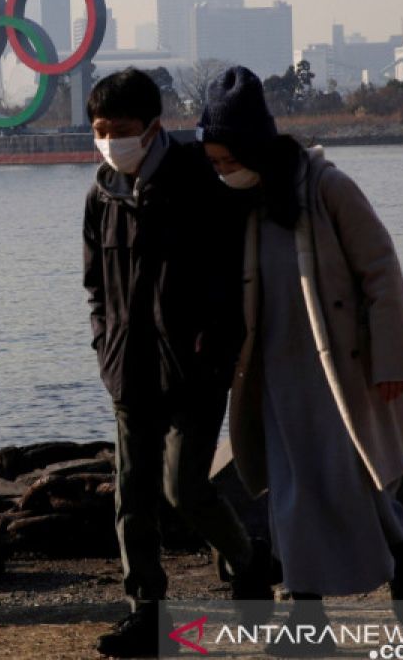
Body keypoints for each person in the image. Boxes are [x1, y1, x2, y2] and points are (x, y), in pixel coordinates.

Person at [197, 66, 403, 653]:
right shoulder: (237, 203)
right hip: (273, 374)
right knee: (291, 492)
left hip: (342, 370)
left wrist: (393, 362)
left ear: (251, 146)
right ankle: (308, 622)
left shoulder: (326, 186)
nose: (222, 172)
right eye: (216, 163)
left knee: (364, 480)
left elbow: (381, 271)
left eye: (227, 160)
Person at [83, 69, 270, 658]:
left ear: (154, 127)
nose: (110, 139)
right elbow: (94, 285)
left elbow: (240, 270)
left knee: (184, 488)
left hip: (195, 368)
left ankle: (248, 561)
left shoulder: (200, 181)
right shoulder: (100, 194)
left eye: (122, 129)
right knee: (131, 496)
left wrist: (220, 342)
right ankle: (146, 611)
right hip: (126, 368)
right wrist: (103, 342)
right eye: (100, 129)